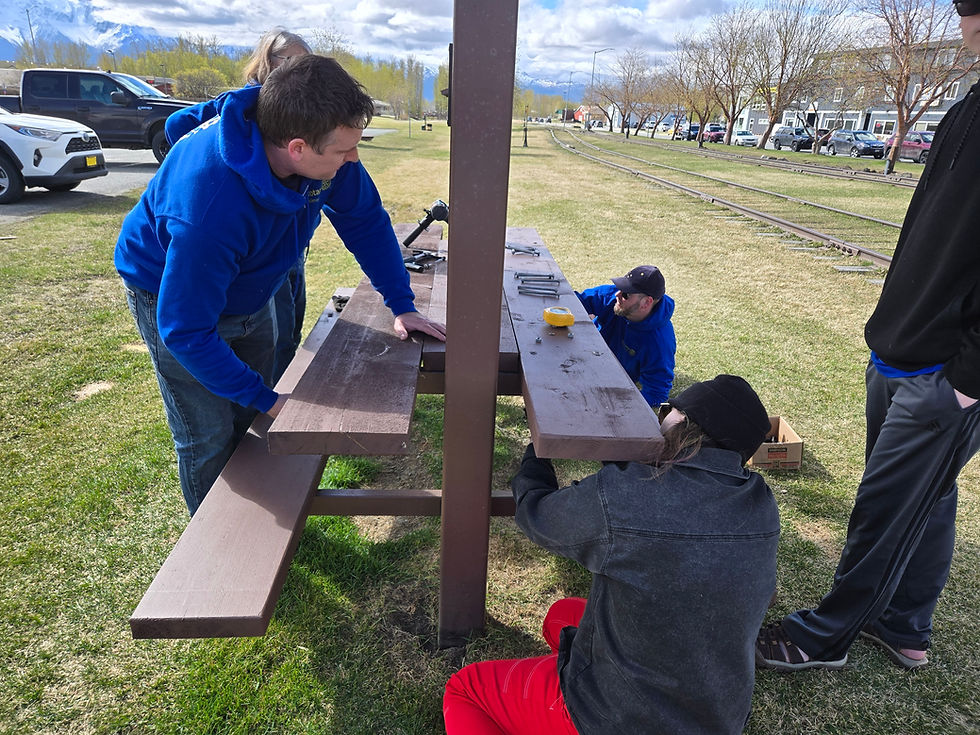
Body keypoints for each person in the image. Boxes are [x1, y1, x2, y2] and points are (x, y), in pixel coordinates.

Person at [115, 55, 446, 516]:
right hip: (168, 293)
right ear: (297, 149)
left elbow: (367, 223)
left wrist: (401, 303)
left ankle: (265, 515)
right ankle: (218, 546)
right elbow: (186, 330)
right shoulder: (208, 205)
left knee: (256, 411)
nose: (353, 159)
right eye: (343, 151)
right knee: (207, 433)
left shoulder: (321, 152)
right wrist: (265, 399)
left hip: (253, 284)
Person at [755, 10, 980, 672]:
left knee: (882, 509)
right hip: (900, 348)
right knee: (927, 497)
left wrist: (968, 378)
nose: (973, 19)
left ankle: (822, 637)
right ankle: (905, 627)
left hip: (946, 370)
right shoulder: (969, 105)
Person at [444, 375, 780, 735]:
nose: (659, 418)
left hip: (616, 719)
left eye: (665, 411)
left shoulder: (625, 498)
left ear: (680, 421)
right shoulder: (761, 503)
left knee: (465, 690)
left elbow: (537, 515)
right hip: (718, 717)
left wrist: (534, 452)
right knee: (560, 617)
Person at [165, 28, 313, 384]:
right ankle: (271, 391)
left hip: (287, 240)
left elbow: (362, 214)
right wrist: (212, 152)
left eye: (307, 64)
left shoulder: (308, 116)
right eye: (292, 63)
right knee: (271, 321)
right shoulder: (243, 104)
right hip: (251, 242)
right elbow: (176, 125)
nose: (301, 72)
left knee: (291, 316)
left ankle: (279, 383)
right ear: (267, 64)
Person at [575, 265, 676, 407]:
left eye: (626, 294)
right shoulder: (614, 298)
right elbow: (574, 301)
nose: (618, 295)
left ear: (646, 302)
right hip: (588, 353)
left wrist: (615, 401)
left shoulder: (659, 344)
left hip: (608, 379)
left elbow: (656, 393)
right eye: (620, 288)